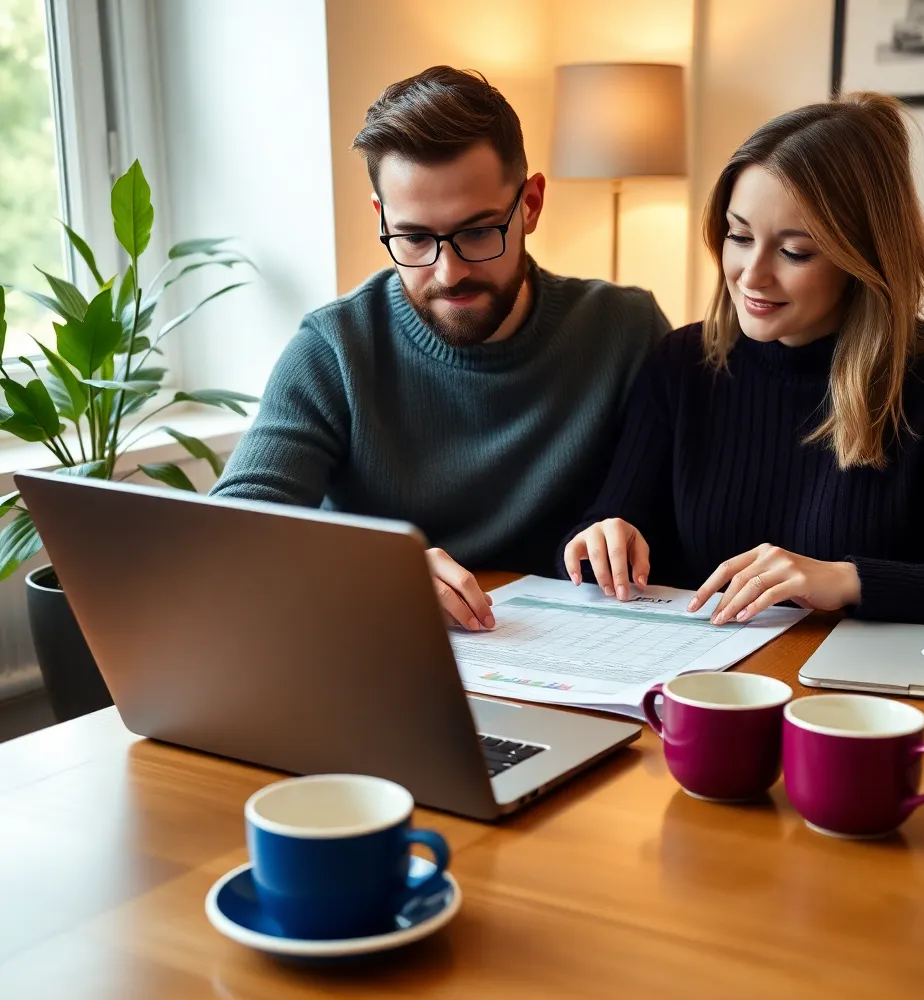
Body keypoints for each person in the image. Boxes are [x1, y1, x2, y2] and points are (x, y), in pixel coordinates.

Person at [212, 66, 669, 631]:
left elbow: (679, 510)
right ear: (381, 219)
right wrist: (375, 572)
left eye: (478, 232)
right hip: (387, 656)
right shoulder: (335, 348)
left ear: (530, 203)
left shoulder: (624, 330)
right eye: (415, 238)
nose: (448, 272)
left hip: (576, 662)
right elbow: (229, 535)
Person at [563, 91, 924, 629]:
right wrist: (601, 539)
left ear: (862, 256)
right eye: (739, 236)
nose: (751, 275)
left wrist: (845, 580)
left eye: (795, 251)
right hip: (705, 679)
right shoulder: (683, 362)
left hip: (858, 694)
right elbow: (614, 525)